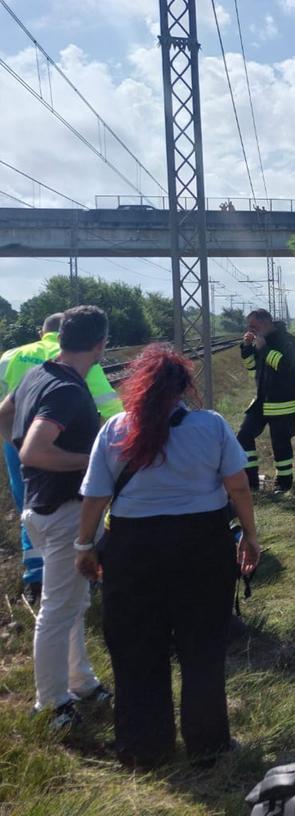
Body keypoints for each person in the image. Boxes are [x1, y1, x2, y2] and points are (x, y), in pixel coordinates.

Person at [75, 345, 260, 767]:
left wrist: (84, 545)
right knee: (202, 647)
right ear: (184, 388)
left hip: (132, 549)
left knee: (136, 647)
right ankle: (208, 744)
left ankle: (144, 747)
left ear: (136, 387)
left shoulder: (115, 429)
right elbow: (239, 487)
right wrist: (249, 536)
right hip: (203, 545)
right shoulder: (211, 426)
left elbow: (95, 497)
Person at [0, 306, 112, 731]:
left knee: (72, 603)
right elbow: (35, 451)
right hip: (62, 511)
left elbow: (5, 417)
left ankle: (81, 682)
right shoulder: (66, 390)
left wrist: (19, 457)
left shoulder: (36, 374)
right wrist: (98, 463)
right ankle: (51, 705)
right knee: (57, 609)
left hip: (40, 506)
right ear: (101, 345)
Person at [1, 314, 122, 605]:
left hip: (18, 441)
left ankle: (36, 578)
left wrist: (17, 444)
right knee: (67, 512)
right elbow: (111, 408)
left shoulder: (12, 356)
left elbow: (3, 408)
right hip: (61, 443)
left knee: (30, 506)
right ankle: (73, 574)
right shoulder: (76, 362)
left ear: (42, 332)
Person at [237, 309, 295, 493]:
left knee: (280, 443)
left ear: (267, 323)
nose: (251, 329)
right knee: (243, 436)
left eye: (254, 326)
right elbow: (252, 368)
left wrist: (264, 348)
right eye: (249, 326)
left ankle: (284, 483)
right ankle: (250, 481)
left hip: (283, 401)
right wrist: (247, 348)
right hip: (262, 400)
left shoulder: (287, 340)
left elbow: (285, 366)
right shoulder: (259, 341)